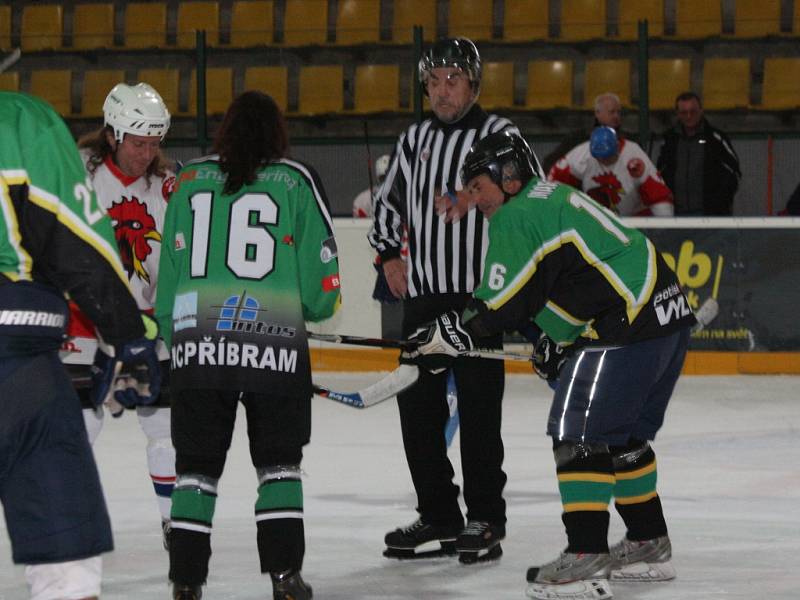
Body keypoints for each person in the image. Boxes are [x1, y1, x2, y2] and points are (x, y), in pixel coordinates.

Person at [406, 130, 695, 599]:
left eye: (478, 186)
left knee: (578, 433)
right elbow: (559, 284)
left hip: (628, 322)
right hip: (665, 313)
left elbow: (499, 304)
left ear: (509, 178)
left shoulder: (515, 215)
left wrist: (448, 333)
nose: (473, 198)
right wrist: (554, 340)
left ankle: (586, 558)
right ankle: (648, 542)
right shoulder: (552, 197)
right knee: (624, 437)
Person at [155, 91, 341, 600]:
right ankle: (285, 577)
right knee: (279, 463)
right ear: (277, 132)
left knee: (194, 467)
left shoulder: (188, 179)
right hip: (274, 349)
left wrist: (176, 336)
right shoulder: (295, 180)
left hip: (198, 350)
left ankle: (186, 582)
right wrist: (315, 308)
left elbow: (167, 274)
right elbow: (322, 286)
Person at [369, 37, 543, 565]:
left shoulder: (500, 134)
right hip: (423, 296)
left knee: (479, 410)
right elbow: (387, 207)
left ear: (473, 85)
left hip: (481, 298)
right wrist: (387, 257)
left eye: (454, 80)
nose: (443, 90)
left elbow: (534, 195)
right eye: (435, 81)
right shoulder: (414, 137)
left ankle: (486, 518)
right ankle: (440, 514)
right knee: (417, 412)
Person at [0, 92, 161, 600]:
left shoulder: (167, 185)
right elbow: (77, 244)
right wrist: (127, 336)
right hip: (17, 354)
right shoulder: (23, 121)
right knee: (67, 567)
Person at [61, 82, 177, 548]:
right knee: (79, 428)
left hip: (148, 325)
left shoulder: (169, 188)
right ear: (112, 134)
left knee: (166, 431)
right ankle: (69, 523)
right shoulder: (75, 177)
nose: (147, 152)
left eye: (154, 142)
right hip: (83, 322)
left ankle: (175, 526)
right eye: (138, 142)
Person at [549, 126, 674, 216]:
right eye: (599, 158)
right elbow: (553, 185)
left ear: (618, 147)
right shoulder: (581, 156)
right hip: (596, 221)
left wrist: (664, 229)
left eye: (608, 157)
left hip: (635, 220)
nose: (603, 161)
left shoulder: (634, 158)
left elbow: (658, 195)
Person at [657, 91, 741, 215]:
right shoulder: (669, 140)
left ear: (701, 111)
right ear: (677, 114)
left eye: (693, 111)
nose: (689, 116)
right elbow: (660, 172)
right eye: (684, 112)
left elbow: (734, 172)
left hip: (712, 217)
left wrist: (719, 202)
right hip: (676, 216)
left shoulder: (716, 139)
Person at [542, 92, 630, 174]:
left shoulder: (627, 140)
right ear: (597, 113)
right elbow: (550, 163)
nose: (616, 116)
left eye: (619, 112)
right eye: (612, 112)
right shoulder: (578, 138)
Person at [352, 153, 390, 218]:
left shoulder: (406, 197)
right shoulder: (363, 200)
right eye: (383, 178)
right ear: (379, 178)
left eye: (391, 178)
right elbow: (359, 225)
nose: (387, 182)